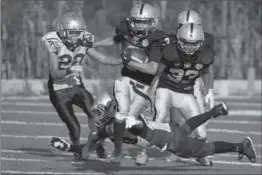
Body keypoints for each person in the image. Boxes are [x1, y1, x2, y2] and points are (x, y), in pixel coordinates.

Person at [49, 91, 257, 165]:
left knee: (204, 150)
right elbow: (91, 146)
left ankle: (241, 146)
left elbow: (132, 128)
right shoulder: (111, 126)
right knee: (185, 128)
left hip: (165, 139)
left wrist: (136, 125)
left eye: (101, 112)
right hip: (166, 131)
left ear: (111, 108)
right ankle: (215, 111)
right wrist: (68, 148)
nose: (98, 116)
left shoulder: (121, 121)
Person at [93, 3, 169, 164]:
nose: (141, 26)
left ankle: (142, 152)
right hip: (125, 82)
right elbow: (115, 39)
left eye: (145, 22)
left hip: (147, 86)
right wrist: (94, 44)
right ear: (131, 21)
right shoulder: (125, 28)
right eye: (138, 21)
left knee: (142, 122)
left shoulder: (158, 39)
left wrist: (131, 63)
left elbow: (152, 69)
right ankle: (99, 143)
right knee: (102, 109)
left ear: (153, 22)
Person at [41, 12, 122, 160]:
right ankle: (77, 149)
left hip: (76, 86)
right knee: (74, 126)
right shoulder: (54, 42)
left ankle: (97, 144)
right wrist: (69, 69)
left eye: (78, 33)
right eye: (71, 33)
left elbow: (103, 58)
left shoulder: (83, 42)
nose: (74, 37)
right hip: (58, 90)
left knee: (95, 113)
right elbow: (54, 73)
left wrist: (123, 60)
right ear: (62, 32)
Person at [164, 9, 216, 165]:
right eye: (184, 26)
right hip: (174, 81)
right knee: (175, 119)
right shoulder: (170, 40)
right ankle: (174, 149)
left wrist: (210, 88)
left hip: (195, 81)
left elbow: (209, 65)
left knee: (200, 120)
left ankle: (199, 152)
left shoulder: (206, 40)